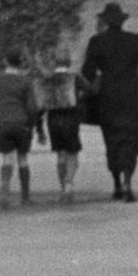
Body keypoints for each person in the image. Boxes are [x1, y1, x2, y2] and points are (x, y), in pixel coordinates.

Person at [77, 0, 138, 200]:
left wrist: (85, 94)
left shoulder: (97, 42)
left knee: (112, 139)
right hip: (132, 95)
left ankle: (116, 182)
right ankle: (128, 180)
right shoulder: (136, 41)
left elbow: (88, 71)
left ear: (105, 21)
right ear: (122, 21)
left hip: (108, 97)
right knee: (132, 138)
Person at [0, 46, 42, 204]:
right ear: (21, 62)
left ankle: (5, 192)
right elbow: (32, 108)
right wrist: (33, 125)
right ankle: (25, 196)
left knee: (7, 158)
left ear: (5, 61)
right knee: (23, 158)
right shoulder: (26, 81)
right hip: (22, 123)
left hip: (4, 122)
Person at [41, 58, 85, 204]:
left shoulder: (48, 79)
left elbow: (42, 102)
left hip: (53, 120)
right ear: (68, 65)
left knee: (60, 155)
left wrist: (39, 127)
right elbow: (91, 90)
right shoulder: (74, 77)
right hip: (71, 119)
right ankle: (68, 184)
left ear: (55, 65)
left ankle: (62, 189)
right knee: (73, 154)